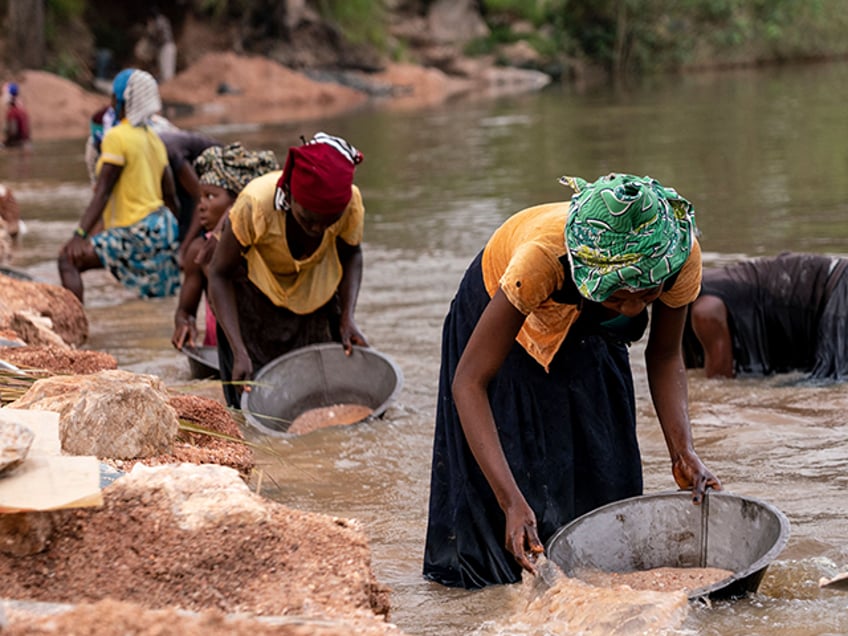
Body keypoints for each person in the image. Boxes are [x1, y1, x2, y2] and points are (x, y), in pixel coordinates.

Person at [423, 173, 721, 589]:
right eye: (617, 295)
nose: (634, 307)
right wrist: (511, 501)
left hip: (590, 321)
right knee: (513, 487)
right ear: (589, 274)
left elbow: (666, 354)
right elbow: (468, 383)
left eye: (648, 294)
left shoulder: (677, 254)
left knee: (606, 467)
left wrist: (682, 449)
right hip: (503, 309)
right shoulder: (541, 258)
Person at [207, 132, 368, 408]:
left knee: (322, 399)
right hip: (255, 305)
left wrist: (347, 319)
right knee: (255, 403)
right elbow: (219, 274)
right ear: (291, 193)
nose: (317, 229)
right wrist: (239, 350)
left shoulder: (350, 203)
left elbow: (352, 254)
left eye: (329, 221)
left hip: (317, 300)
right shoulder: (256, 204)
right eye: (308, 218)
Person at [58, 68, 180, 303]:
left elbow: (102, 192)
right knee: (157, 300)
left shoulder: (116, 137)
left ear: (120, 99)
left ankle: (74, 331)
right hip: (162, 227)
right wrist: (173, 239)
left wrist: (79, 235)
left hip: (134, 228)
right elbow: (171, 196)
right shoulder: (154, 139)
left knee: (67, 260)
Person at [171, 142, 279, 351]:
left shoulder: (269, 245)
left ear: (239, 202)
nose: (201, 206)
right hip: (221, 352)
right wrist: (184, 324)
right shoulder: (199, 251)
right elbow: (185, 311)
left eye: (210, 196)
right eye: (200, 197)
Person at [682, 252, 848, 380]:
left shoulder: (704, 311)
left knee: (826, 386)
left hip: (839, 293)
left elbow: (719, 382)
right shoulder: (704, 281)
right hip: (835, 283)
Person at [156, 128, 222, 254]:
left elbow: (199, 198)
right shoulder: (150, 155)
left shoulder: (172, 154)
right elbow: (169, 199)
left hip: (216, 171)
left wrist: (184, 247)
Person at [3, 82, 30, 148]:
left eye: (4, 93)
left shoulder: (13, 112)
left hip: (16, 146)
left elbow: (13, 132)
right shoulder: (22, 109)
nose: (3, 96)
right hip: (26, 145)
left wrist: (4, 144)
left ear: (10, 95)